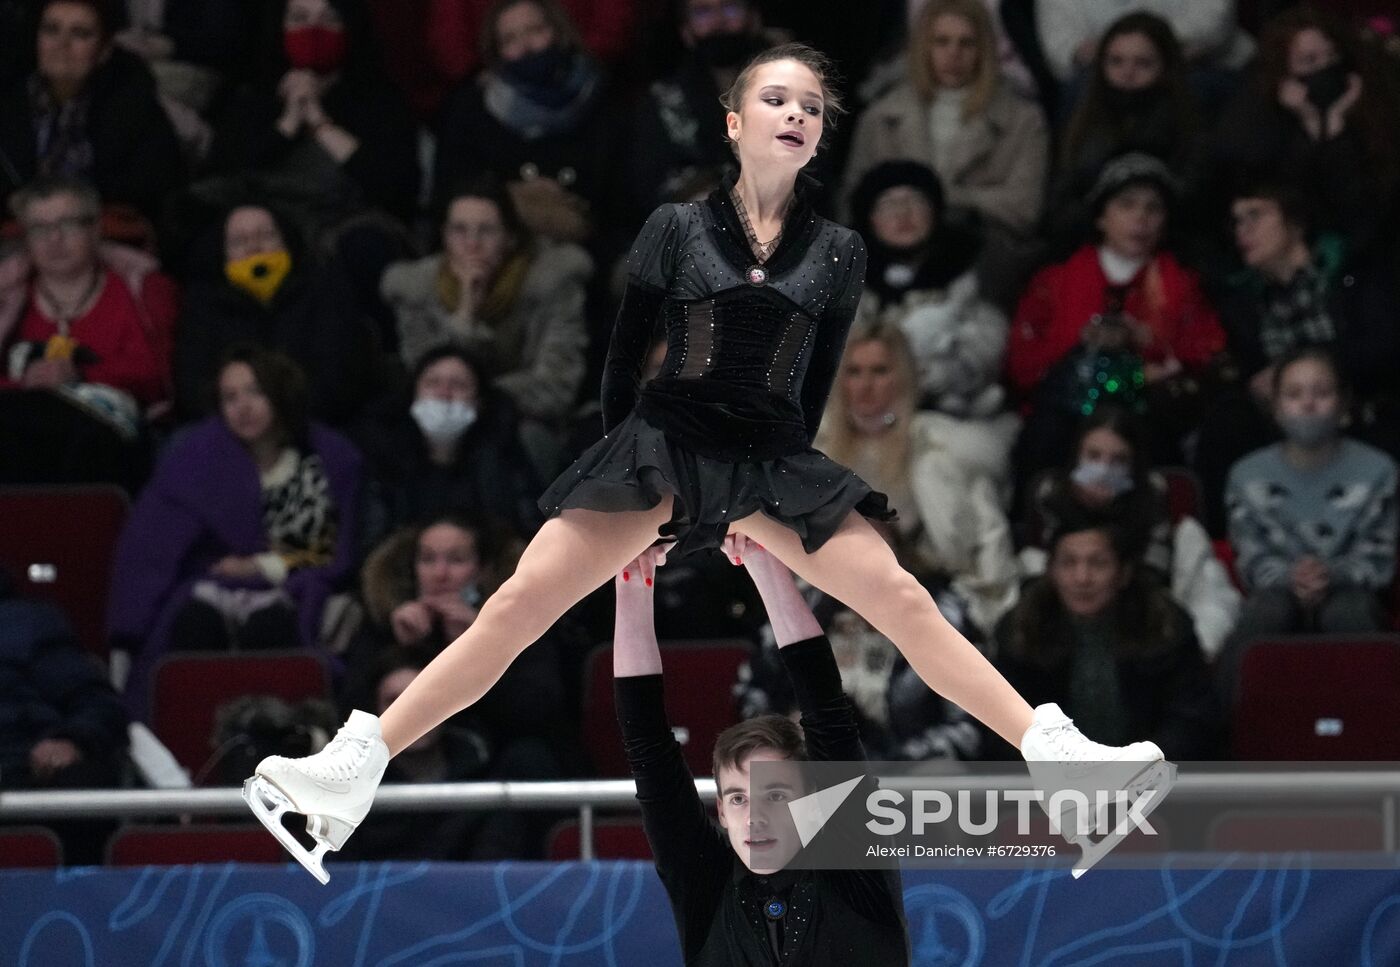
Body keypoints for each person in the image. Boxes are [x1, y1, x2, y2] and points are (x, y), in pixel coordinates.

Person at [244, 43, 1166, 884]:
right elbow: (620, 367)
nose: (795, 113)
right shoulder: (676, 227)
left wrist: (771, 499)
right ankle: (349, 769)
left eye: (811, 106)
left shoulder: (839, 251)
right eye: (776, 99)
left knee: (902, 597)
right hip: (662, 441)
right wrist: (629, 494)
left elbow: (811, 388)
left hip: (769, 456)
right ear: (733, 123)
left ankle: (1061, 758)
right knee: (518, 605)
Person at [616, 537, 910, 964]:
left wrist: (764, 558)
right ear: (721, 811)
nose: (754, 817)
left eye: (775, 794)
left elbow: (827, 710)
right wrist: (630, 583)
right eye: (738, 798)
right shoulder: (706, 886)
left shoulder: (853, 866)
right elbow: (649, 752)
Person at [109, 347, 362, 717]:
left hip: (293, 589)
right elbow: (151, 547)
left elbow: (333, 553)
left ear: (280, 393)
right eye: (230, 397)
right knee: (194, 623)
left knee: (272, 627)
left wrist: (263, 567)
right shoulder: (194, 459)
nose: (243, 407)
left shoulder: (324, 460)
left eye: (255, 392)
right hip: (209, 586)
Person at [1194, 182, 1400, 532]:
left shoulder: (1350, 273)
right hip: (1281, 427)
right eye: (1237, 221)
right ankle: (1222, 543)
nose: (1243, 230)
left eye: (1255, 216)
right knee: (1226, 424)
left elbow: (1384, 347)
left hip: (1359, 411)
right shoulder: (1245, 301)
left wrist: (1304, 370)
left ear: (1295, 222)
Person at [1008, 152, 1225, 482]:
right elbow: (1022, 364)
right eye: (1127, 205)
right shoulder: (1054, 282)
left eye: (1153, 208)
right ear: (1101, 218)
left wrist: (1148, 346)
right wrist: (1081, 348)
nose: (1141, 218)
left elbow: (1206, 353)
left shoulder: (1183, 285)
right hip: (1066, 414)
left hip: (1149, 417)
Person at [814, 320, 1019, 637]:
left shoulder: (943, 449)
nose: (865, 384)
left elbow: (989, 538)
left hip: (928, 593)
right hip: (837, 597)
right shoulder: (818, 453)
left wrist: (987, 611)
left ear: (902, 376)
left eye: (879, 371)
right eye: (854, 371)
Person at [840, 0, 1048, 298]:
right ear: (923, 46)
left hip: (983, 254)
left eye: (967, 43)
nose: (954, 53)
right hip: (888, 254)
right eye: (941, 41)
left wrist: (940, 198)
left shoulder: (1023, 120)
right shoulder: (881, 116)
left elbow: (1024, 208)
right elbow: (854, 202)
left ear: (985, 49)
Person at [1219, 347, 1396, 691]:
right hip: (1274, 593)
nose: (1308, 404)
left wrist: (1331, 574)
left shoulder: (1379, 470)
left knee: (1349, 613)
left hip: (1353, 592)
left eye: (1322, 392)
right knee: (1265, 614)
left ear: (1344, 402)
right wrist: (1291, 577)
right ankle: (1223, 720)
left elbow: (1378, 558)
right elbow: (1251, 557)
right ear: (1275, 406)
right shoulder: (1246, 475)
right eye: (1294, 394)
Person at [989, 520, 1224, 761]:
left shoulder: (1164, 626)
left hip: (1152, 774)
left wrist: (1141, 766)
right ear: (1051, 571)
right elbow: (1000, 725)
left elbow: (1193, 720)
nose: (1082, 578)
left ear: (1123, 573)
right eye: (1068, 563)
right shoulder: (1022, 630)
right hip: (1045, 777)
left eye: (1098, 563)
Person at [1021, 405, 1241, 660]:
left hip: (1153, 650)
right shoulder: (1049, 514)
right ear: (1075, 459)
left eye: (1118, 460)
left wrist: (1182, 652)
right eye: (1093, 456)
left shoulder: (1170, 524)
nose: (1103, 470)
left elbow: (1213, 605)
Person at [0, 176, 175, 487]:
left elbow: (157, 375)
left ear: (95, 228)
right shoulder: (6, 295)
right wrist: (26, 383)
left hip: (108, 439)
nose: (54, 239)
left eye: (68, 224)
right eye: (39, 229)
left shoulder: (143, 288)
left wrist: (79, 375)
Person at [380, 177, 591, 428]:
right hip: (441, 426)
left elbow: (557, 386)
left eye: (487, 230)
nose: (472, 244)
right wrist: (465, 314)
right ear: (444, 236)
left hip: (525, 422)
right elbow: (429, 383)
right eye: (459, 230)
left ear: (510, 238)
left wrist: (474, 396)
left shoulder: (552, 282)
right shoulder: (415, 289)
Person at [1215, 5, 1400, 257]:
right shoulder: (1261, 126)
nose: (1326, 67)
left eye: (1332, 56)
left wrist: (1335, 131)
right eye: (1309, 61)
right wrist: (1310, 127)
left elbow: (1365, 209)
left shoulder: (1372, 106)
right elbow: (1295, 204)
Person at [173, 203, 378, 425]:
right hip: (232, 430)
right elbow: (194, 385)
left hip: (319, 423)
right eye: (239, 241)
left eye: (266, 236)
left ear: (287, 242)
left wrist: (285, 419)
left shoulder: (324, 290)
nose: (254, 247)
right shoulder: (203, 305)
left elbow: (342, 373)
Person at [432, 0, 614, 245]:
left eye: (536, 31)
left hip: (592, 247)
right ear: (496, 52)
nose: (526, 47)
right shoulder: (473, 109)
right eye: (510, 39)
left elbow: (622, 202)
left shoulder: (601, 98)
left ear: (560, 32)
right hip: (498, 247)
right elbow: (451, 191)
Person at [846, 159, 1009, 421]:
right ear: (871, 219)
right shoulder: (843, 283)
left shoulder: (969, 279)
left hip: (944, 417)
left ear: (935, 212)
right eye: (888, 204)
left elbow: (984, 352)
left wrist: (934, 377)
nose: (903, 214)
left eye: (915, 201)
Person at [0, 0, 184, 220]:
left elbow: (154, 192)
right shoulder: (9, 99)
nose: (62, 43)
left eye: (80, 34)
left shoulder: (135, 107)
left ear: (104, 50)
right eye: (51, 30)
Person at [1046, 12, 1208, 248]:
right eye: (1116, 62)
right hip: (1088, 245)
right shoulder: (1083, 123)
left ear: (1166, 68)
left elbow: (1193, 204)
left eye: (1143, 63)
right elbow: (1059, 205)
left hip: (1169, 248)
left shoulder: (1188, 127)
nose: (1127, 73)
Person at [354, 346, 543, 548]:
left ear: (479, 402)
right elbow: (374, 538)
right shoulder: (384, 457)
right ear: (413, 396)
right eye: (432, 383)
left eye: (459, 385)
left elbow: (529, 531)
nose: (444, 394)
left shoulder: (504, 456)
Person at [617, 0, 768, 234]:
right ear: (685, 31)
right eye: (703, 12)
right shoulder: (664, 100)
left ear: (754, 19)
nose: (719, 21)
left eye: (731, 7)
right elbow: (652, 187)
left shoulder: (794, 90)